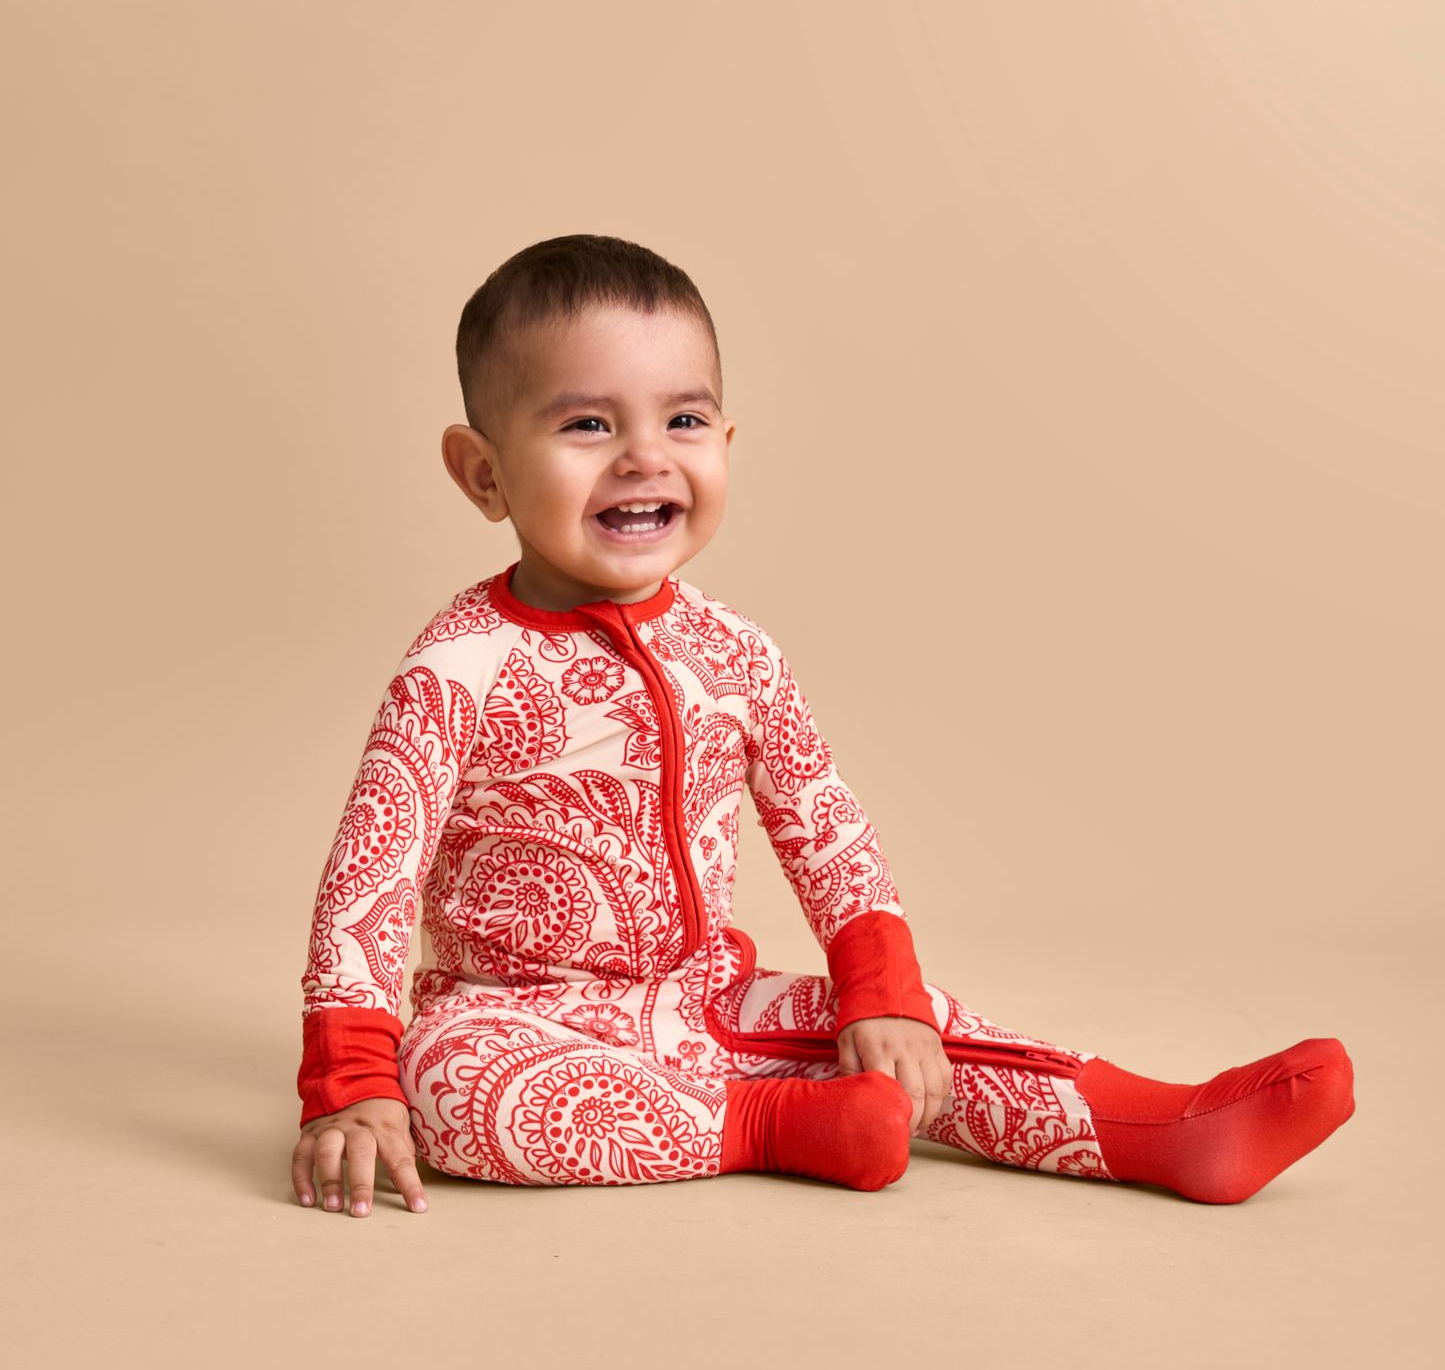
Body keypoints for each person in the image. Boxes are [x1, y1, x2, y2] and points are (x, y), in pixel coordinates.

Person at [289, 235, 1353, 1216]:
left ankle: (1158, 1126)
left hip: (706, 1000)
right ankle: (775, 1126)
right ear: (482, 472)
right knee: (449, 1091)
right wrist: (351, 1081)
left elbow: (823, 825)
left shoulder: (736, 652)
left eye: (683, 421)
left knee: (912, 1033)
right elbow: (371, 873)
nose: (644, 456)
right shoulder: (458, 664)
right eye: (587, 424)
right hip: (510, 1013)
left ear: (724, 442)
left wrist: (877, 990)